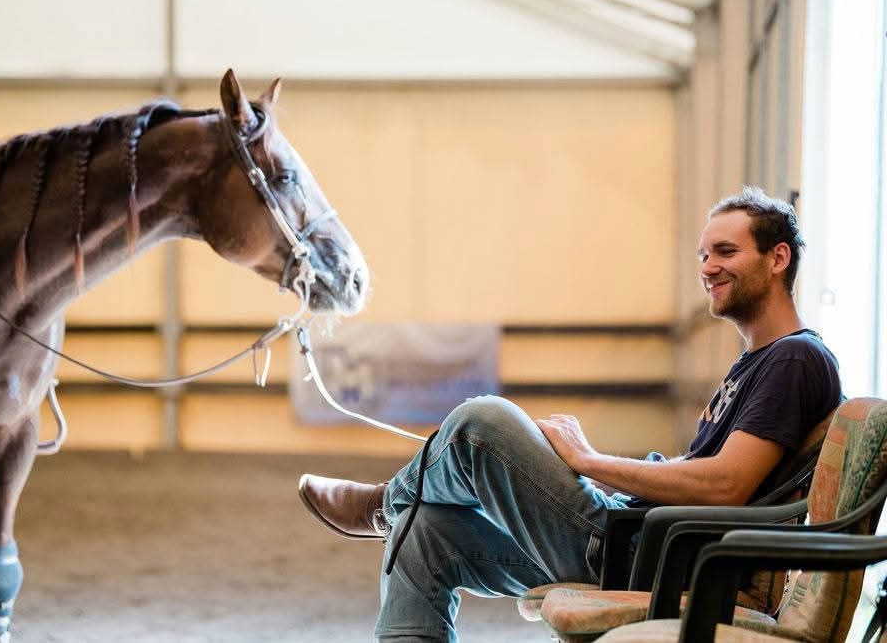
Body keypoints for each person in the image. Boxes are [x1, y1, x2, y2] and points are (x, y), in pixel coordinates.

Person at [297, 187, 842, 642]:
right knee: (426, 529)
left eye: (725, 251)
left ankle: (382, 503)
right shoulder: (758, 363)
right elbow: (712, 474)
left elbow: (725, 486)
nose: (708, 267)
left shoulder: (795, 358)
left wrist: (589, 460)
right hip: (639, 535)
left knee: (480, 423)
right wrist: (595, 469)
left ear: (777, 259)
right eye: (703, 255)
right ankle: (400, 509)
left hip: (643, 553)